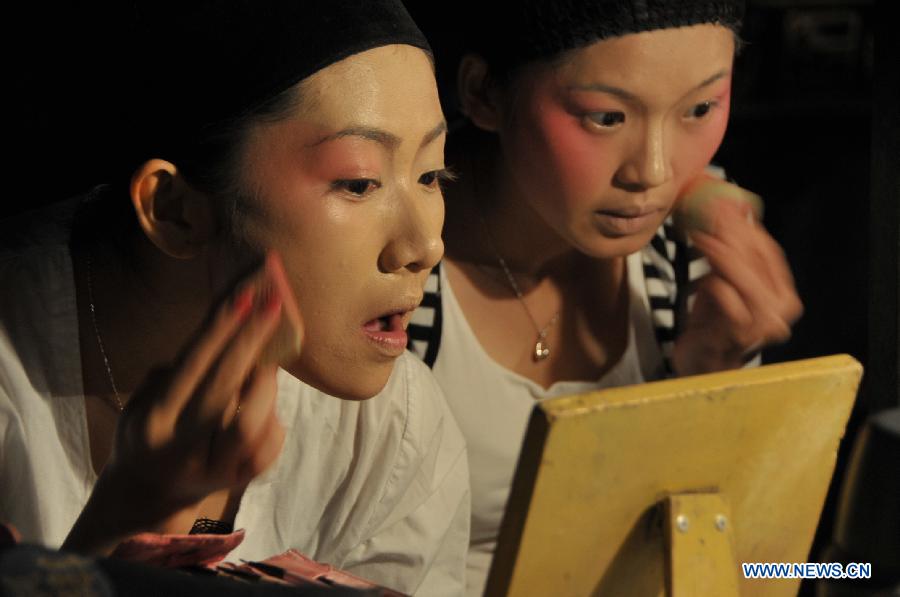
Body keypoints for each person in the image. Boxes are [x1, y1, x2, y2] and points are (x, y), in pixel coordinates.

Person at [0, 2, 469, 595]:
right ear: (176, 211)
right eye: (359, 182)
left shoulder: (391, 428)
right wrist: (117, 525)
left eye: (432, 175)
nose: (426, 245)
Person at [404, 0, 804, 593]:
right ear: (484, 93)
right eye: (606, 117)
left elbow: (752, 563)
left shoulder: (690, 262)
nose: (655, 171)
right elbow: (248, 542)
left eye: (699, 108)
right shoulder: (394, 266)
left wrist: (713, 380)